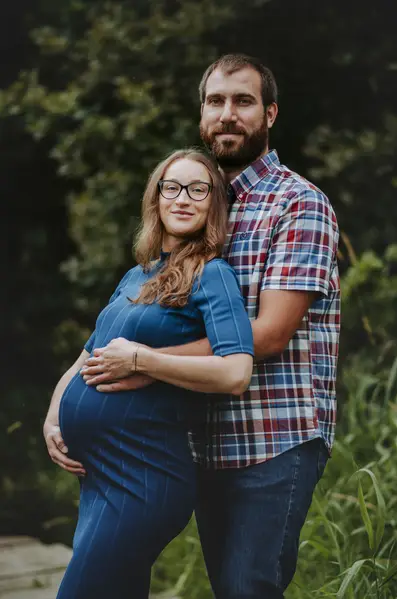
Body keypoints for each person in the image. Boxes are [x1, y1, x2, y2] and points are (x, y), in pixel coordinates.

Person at [52, 54, 341, 598]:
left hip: (271, 437)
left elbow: (272, 333)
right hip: (197, 441)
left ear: (271, 113)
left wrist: (145, 365)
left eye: (244, 101)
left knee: (245, 588)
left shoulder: (298, 204)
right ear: (202, 114)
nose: (227, 114)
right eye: (215, 101)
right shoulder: (197, 207)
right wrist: (60, 406)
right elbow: (124, 328)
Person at [43, 148, 254, 599]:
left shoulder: (212, 275)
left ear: (213, 203)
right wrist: (53, 417)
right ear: (155, 199)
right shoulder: (136, 276)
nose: (183, 198)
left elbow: (236, 371)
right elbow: (86, 360)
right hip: (98, 478)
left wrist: (143, 360)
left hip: (143, 477)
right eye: (172, 187)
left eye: (199, 189)